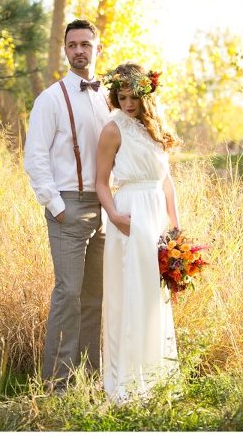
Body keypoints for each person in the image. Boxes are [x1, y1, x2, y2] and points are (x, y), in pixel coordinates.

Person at [23, 19, 111, 390]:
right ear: (65, 50)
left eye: (85, 44)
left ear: (97, 49)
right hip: (68, 206)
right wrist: (56, 205)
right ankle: (57, 384)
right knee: (67, 295)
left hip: (106, 208)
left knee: (95, 298)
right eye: (72, 44)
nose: (78, 50)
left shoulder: (109, 98)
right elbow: (35, 157)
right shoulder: (51, 98)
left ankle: (88, 379)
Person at [94, 62, 181, 403]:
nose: (128, 103)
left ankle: (156, 378)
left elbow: (167, 182)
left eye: (134, 96)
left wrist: (175, 226)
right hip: (129, 216)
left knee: (152, 300)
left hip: (156, 217)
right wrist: (114, 215)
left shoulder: (154, 129)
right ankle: (126, 384)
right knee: (128, 297)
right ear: (115, 96)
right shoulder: (113, 129)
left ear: (146, 96)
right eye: (122, 96)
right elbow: (101, 182)